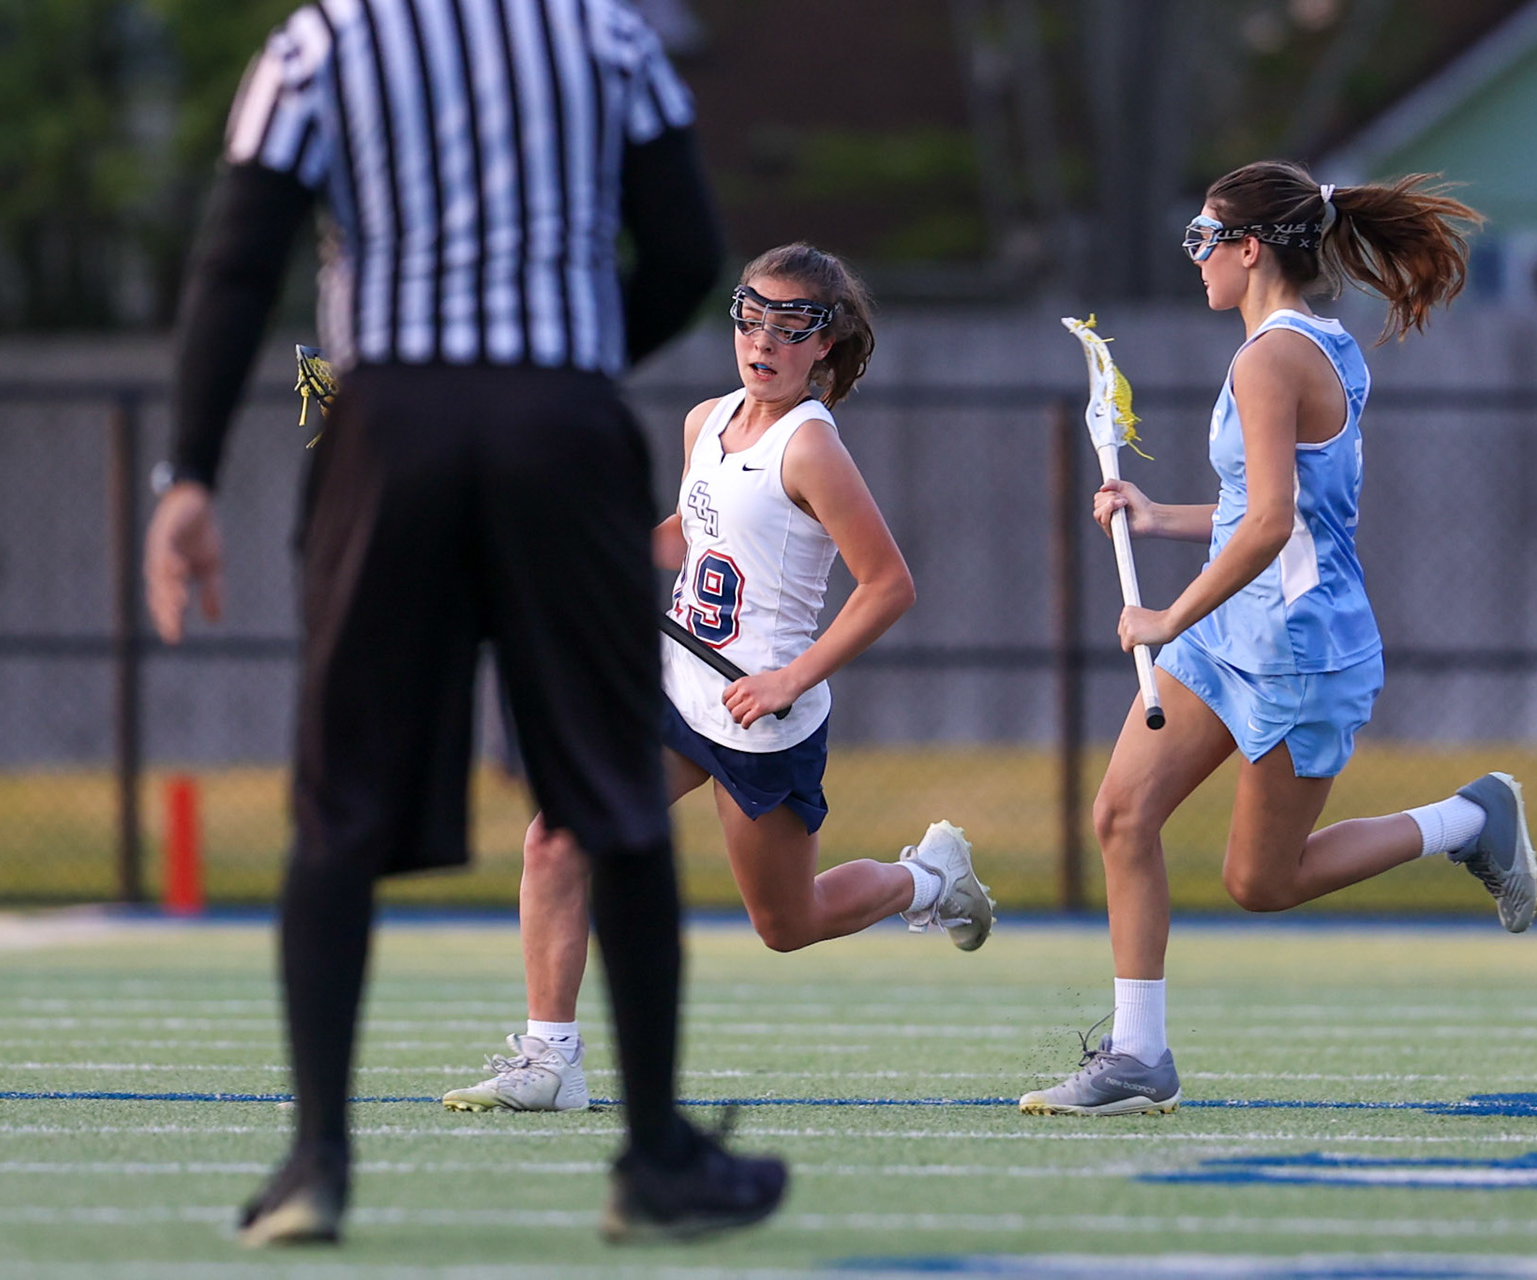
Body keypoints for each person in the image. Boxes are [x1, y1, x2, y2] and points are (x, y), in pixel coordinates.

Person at [142, 0, 784, 1246]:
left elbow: (236, 261)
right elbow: (688, 248)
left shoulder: (323, 45)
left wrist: (191, 474)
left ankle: (317, 1158)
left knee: (339, 803)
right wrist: (570, 355)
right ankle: (655, 1154)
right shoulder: (605, 38)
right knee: (611, 785)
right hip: (560, 425)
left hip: (390, 426)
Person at [1020, 162, 1537, 1118]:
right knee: (1123, 816)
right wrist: (1157, 515)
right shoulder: (1301, 346)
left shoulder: (1272, 360)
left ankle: (1470, 820)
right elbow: (1260, 513)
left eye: (1203, 239)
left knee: (1261, 882)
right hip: (1231, 634)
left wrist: (1165, 617)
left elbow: (1269, 526)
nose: (1196, 258)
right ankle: (1138, 1055)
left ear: (1249, 249)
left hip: (1298, 649)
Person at [442, 243, 996, 1115]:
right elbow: (689, 537)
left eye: (790, 325)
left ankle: (928, 878)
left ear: (824, 343)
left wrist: (790, 678)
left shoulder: (810, 449)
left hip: (759, 717)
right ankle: (550, 1062)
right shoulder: (709, 420)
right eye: (752, 317)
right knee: (556, 840)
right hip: (675, 691)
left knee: (786, 924)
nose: (763, 341)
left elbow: (889, 586)